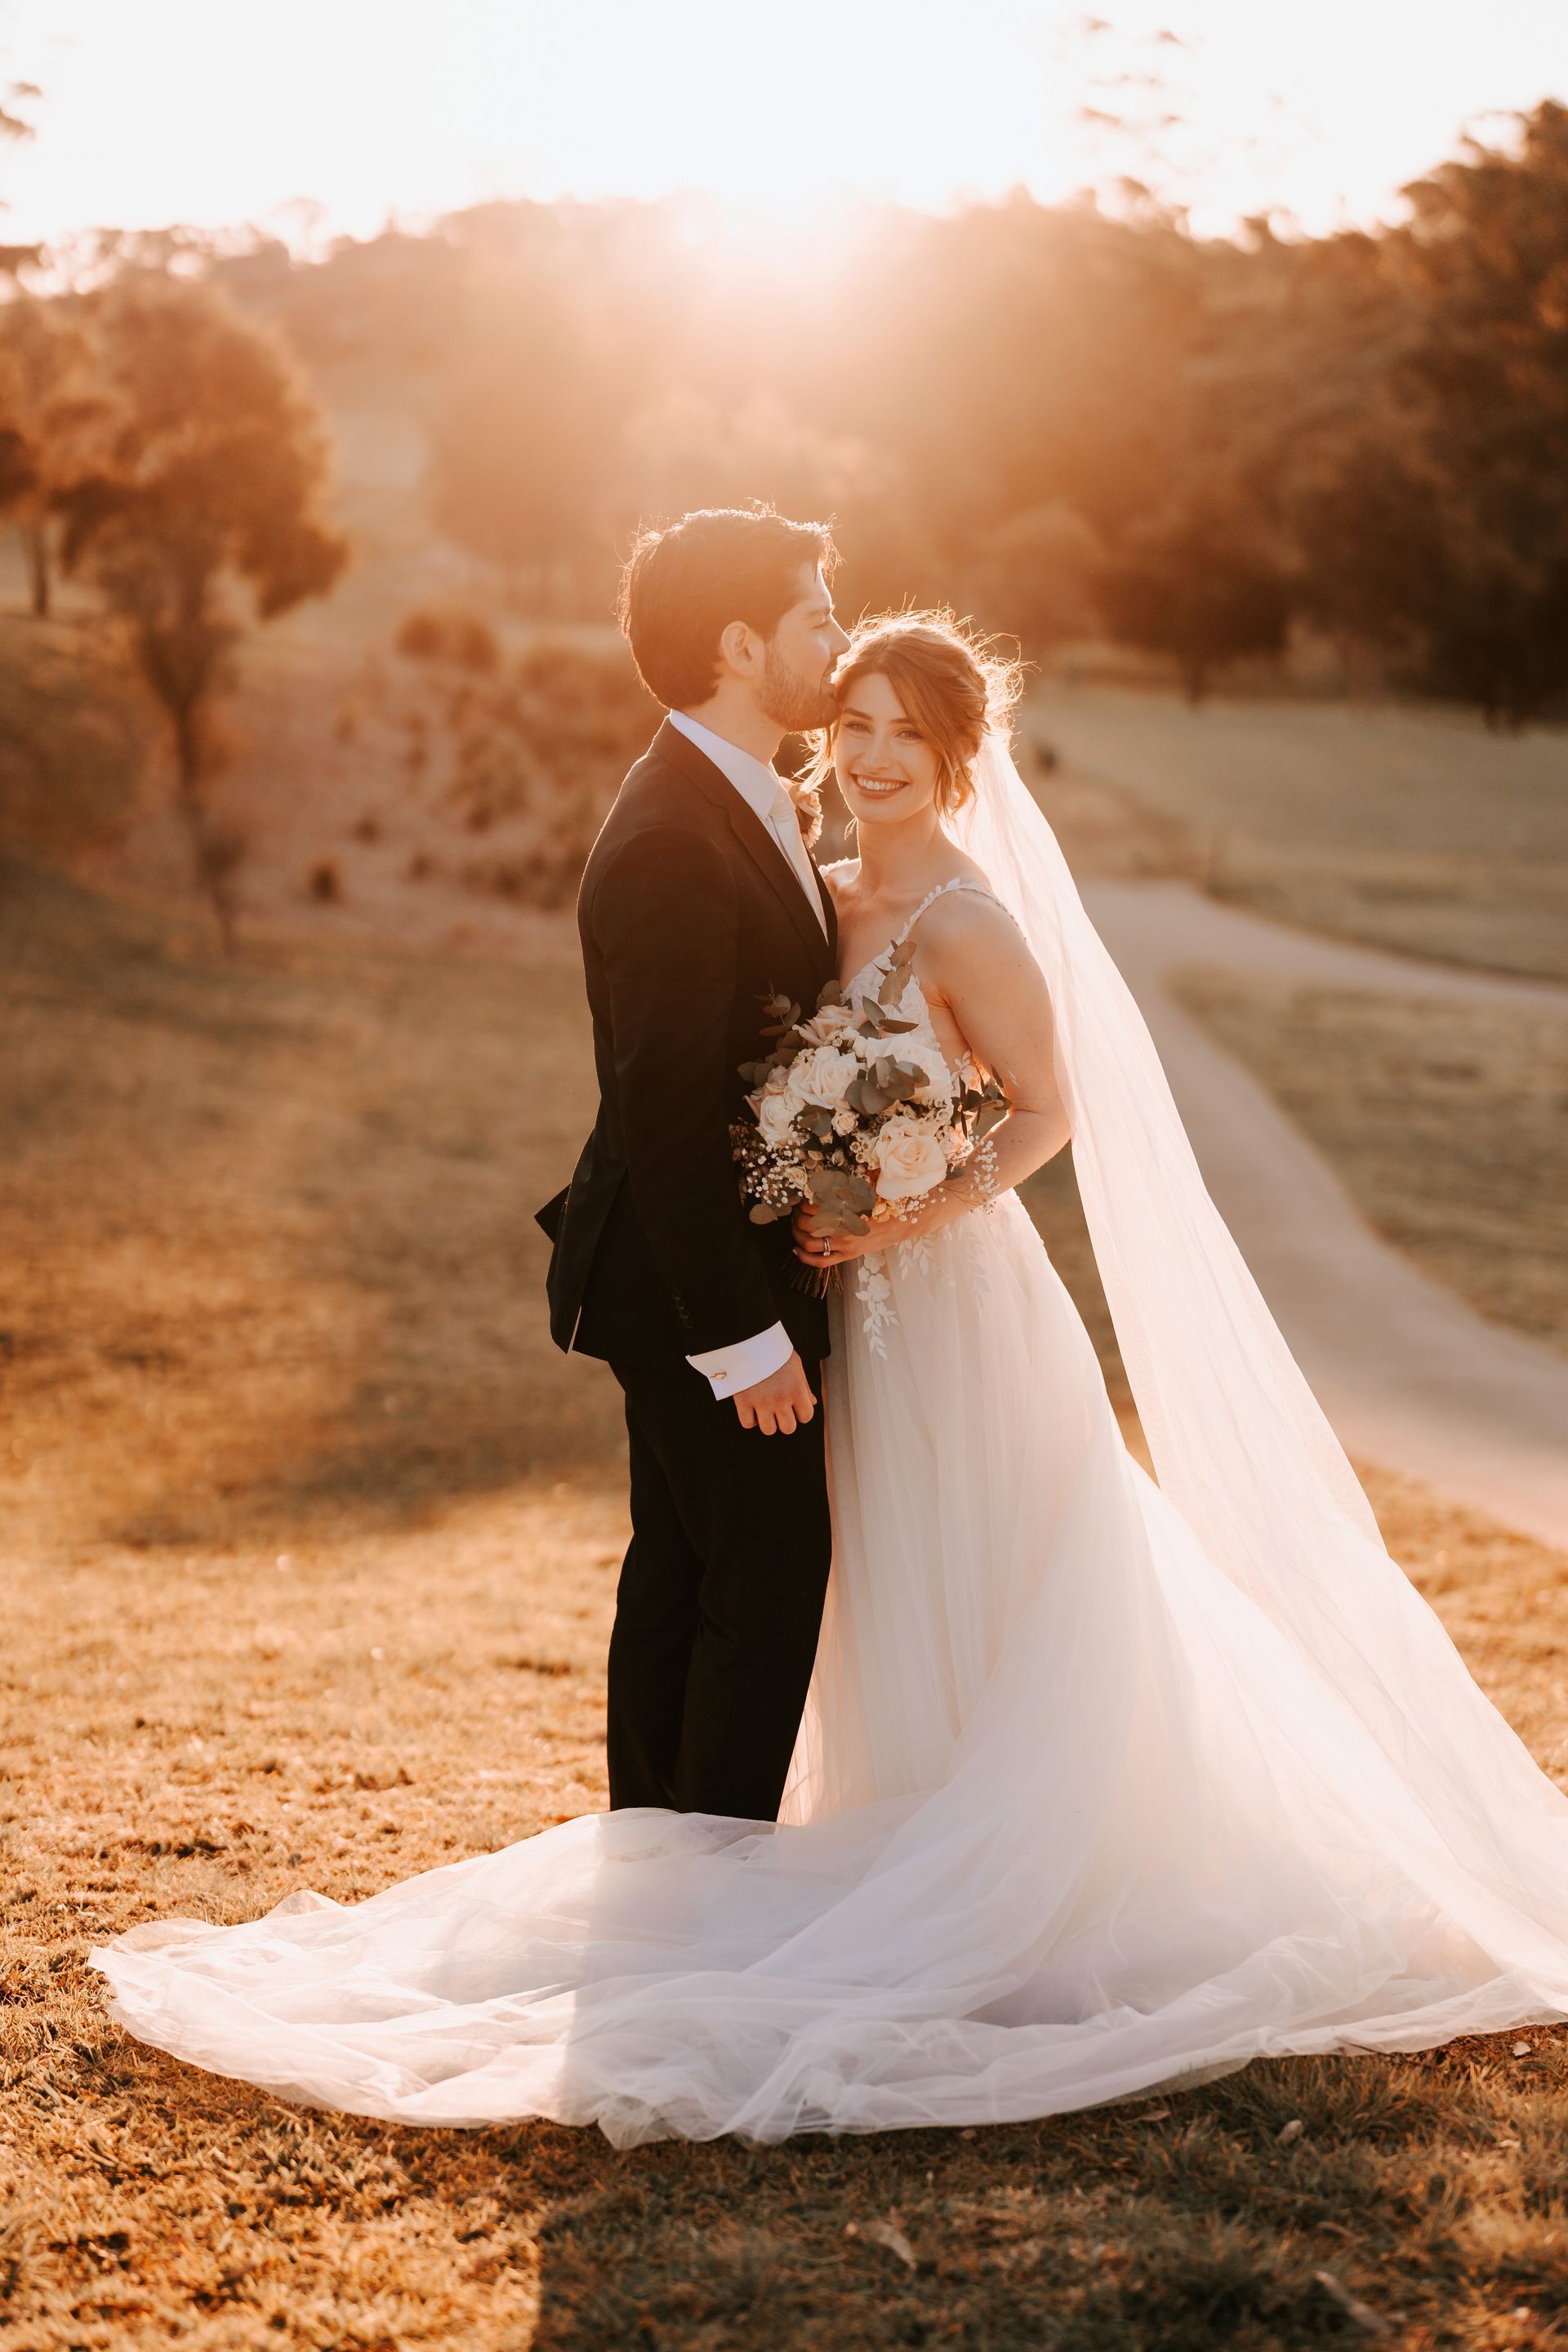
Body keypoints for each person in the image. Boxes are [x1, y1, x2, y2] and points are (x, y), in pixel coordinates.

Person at [93, 613, 1568, 2147]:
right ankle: (874, 1830)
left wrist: (907, 1208)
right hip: (841, 1314)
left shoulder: (970, 923)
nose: (866, 758)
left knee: (1001, 1571)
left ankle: (1027, 1865)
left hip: (957, 1304)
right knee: (868, 1574)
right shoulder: (819, 885)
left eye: (901, 738)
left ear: (955, 758)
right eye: (851, 724)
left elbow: (1047, 1115)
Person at [537, 505, 849, 1823]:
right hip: (691, 1291)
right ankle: (710, 1911)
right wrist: (743, 1337)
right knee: (766, 1577)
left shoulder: (744, 790)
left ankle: (657, 1890)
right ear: (740, 644)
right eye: (817, 618)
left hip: (694, 1269)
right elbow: (661, 1115)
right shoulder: (673, 833)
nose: (841, 639)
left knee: (683, 1572)